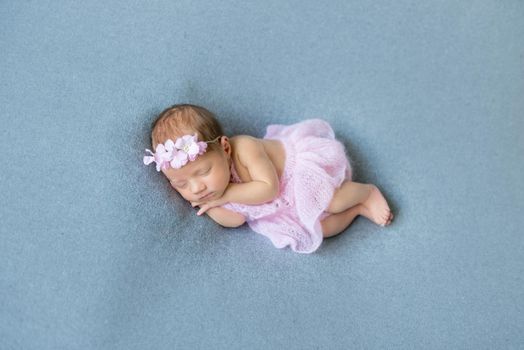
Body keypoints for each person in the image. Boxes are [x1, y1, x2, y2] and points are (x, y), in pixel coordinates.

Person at [143, 104, 393, 253]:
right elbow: (236, 219)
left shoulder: (245, 148)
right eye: (181, 183)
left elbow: (268, 189)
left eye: (203, 172)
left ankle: (366, 192)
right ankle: (359, 209)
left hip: (296, 175)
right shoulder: (212, 191)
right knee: (321, 230)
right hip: (283, 204)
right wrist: (209, 206)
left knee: (331, 203)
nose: (197, 187)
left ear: (225, 147)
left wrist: (226, 194)